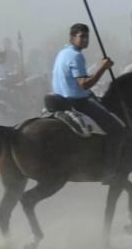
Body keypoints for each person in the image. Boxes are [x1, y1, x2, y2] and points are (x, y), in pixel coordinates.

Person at [50, 23, 123, 184]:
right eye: (81, 36)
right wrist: (103, 68)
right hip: (76, 102)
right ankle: (109, 172)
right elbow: (84, 84)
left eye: (87, 37)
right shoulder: (76, 56)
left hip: (59, 98)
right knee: (117, 129)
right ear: (72, 37)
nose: (85, 40)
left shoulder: (63, 53)